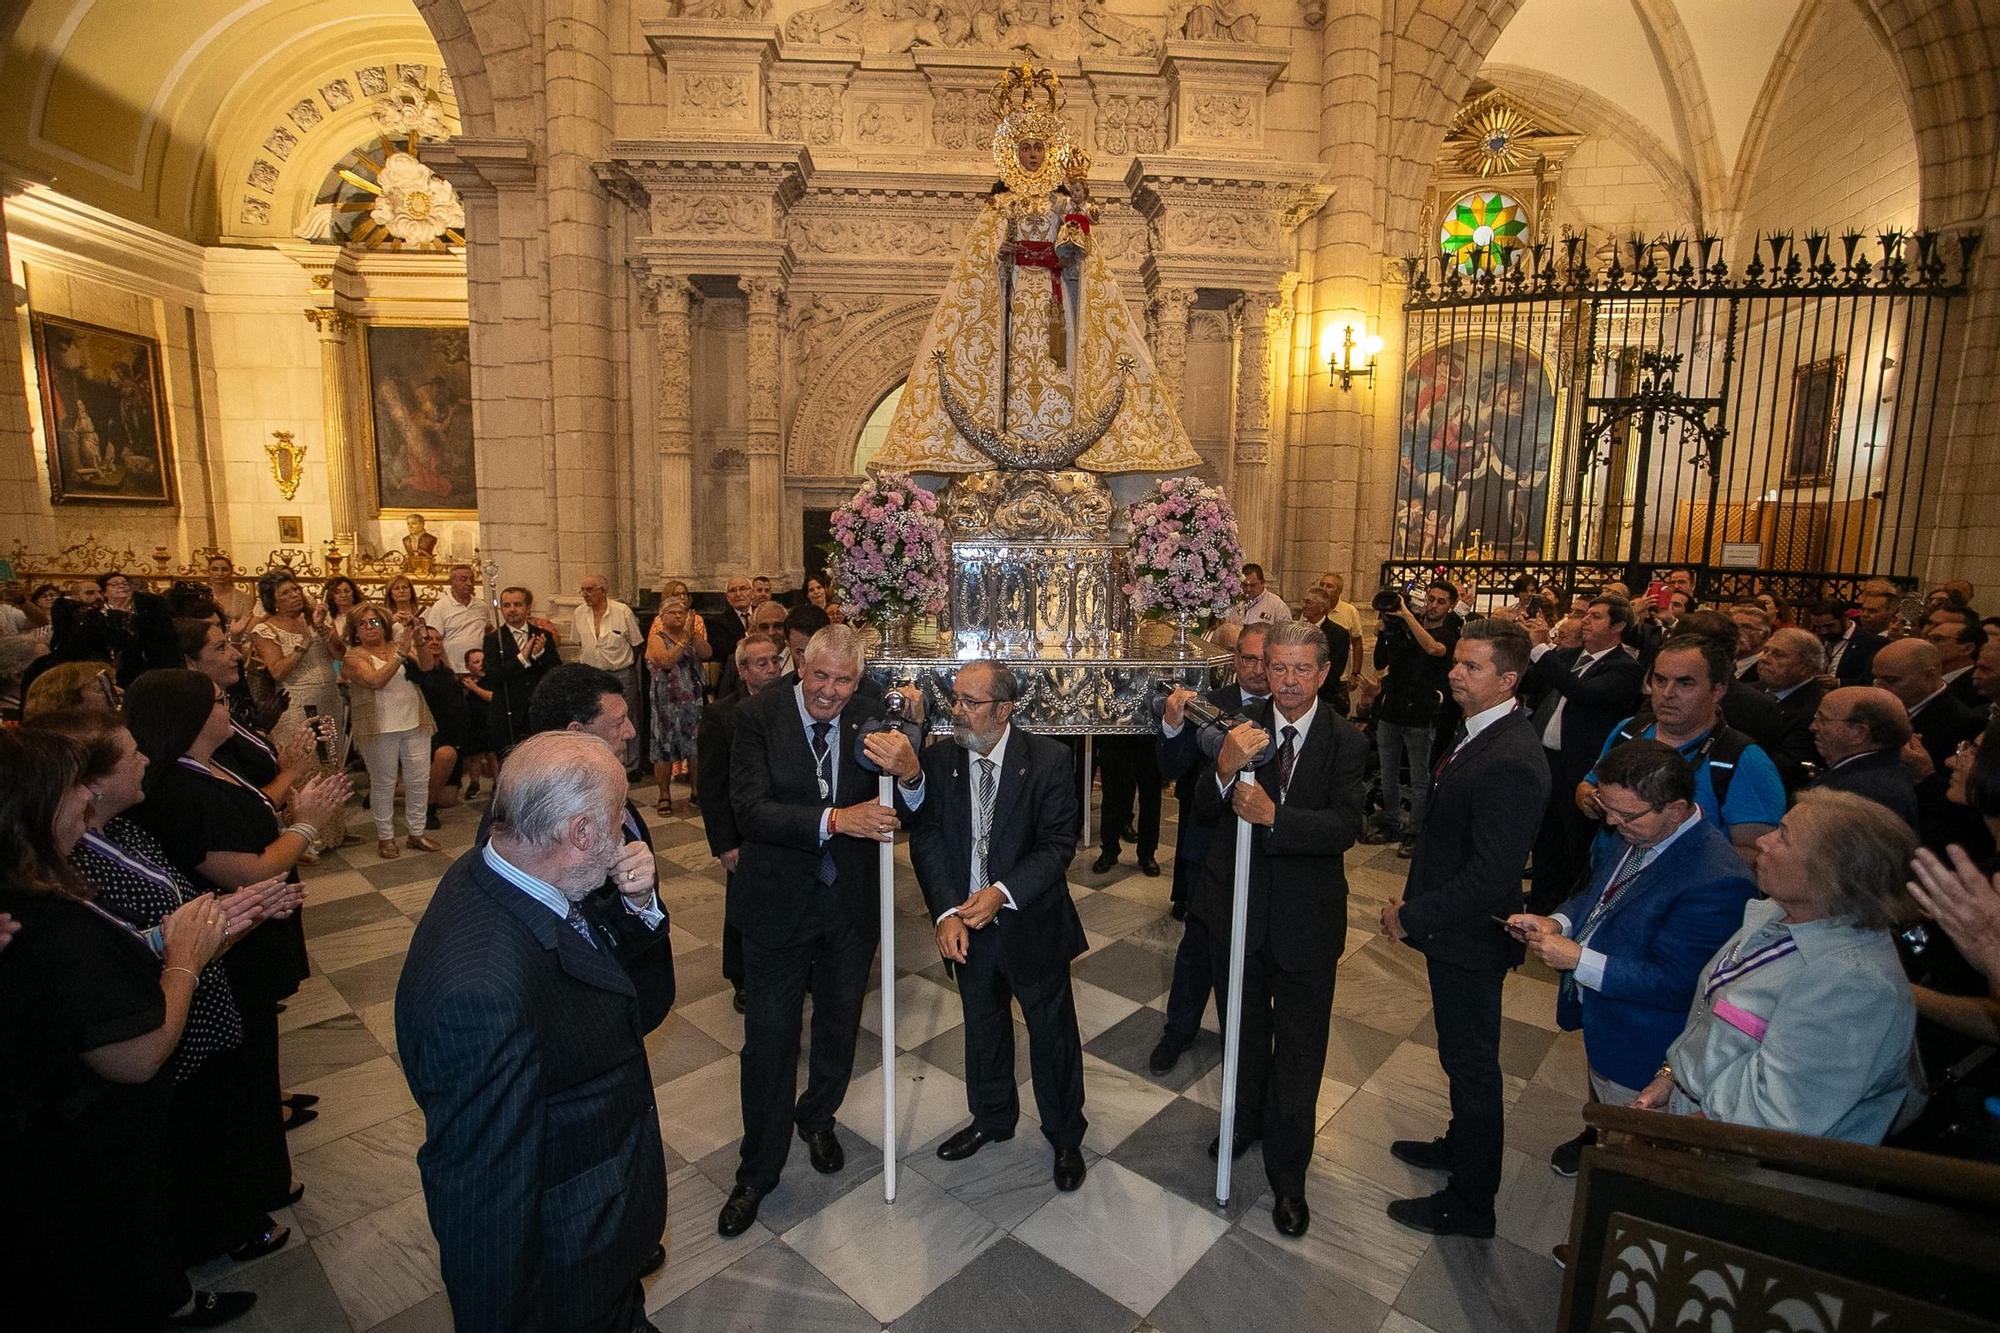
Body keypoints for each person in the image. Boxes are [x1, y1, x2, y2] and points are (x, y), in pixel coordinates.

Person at [397, 732, 675, 1333]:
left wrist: (641, 903)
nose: (629, 825)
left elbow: (600, 974)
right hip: (567, 1259)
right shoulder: (483, 993)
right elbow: (484, 1205)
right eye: (619, 812)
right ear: (579, 834)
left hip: (603, 1234)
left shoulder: (512, 869)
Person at [0, 728, 256, 1330]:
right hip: (77, 1142)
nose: (84, 800)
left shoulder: (42, 890)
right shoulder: (44, 920)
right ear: (32, 810)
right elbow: (135, 1056)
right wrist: (185, 960)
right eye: (71, 789)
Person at [42, 710, 304, 1264]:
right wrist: (187, 945)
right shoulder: (75, 867)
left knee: (206, 1130)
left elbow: (180, 912)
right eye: (131, 754)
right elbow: (136, 945)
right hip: (153, 1020)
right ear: (91, 781)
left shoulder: (129, 830)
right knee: (180, 1148)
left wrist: (236, 914)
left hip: (193, 1009)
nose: (144, 760)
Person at [1176, 621, 1367, 1237]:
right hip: (1239, 913)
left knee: (1300, 1053)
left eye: (1300, 670)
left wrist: (1274, 817)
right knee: (1243, 1036)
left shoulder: (1346, 740)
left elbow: (1344, 827)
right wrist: (1225, 770)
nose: (1285, 680)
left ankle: (1290, 1174)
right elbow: (1203, 807)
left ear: (1323, 672)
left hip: (1306, 923)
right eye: (1277, 668)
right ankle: (1243, 1125)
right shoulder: (1240, 724)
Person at [717, 625, 899, 1238]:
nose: (828, 691)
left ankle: (818, 1116)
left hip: (849, 904)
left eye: (843, 680)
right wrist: (835, 819)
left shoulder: (873, 712)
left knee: (840, 1023)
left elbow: (909, 798)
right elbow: (750, 809)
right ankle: (757, 1170)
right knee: (768, 1038)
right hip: (776, 903)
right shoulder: (755, 716)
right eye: (819, 676)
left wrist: (914, 761)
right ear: (800, 664)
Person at [1504, 741, 1757, 1177]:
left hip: (1647, 1045)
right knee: (1606, 1112)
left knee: (1638, 1155)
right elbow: (1600, 895)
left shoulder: (1717, 880)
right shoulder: (1643, 831)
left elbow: (1677, 983)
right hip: (1607, 1021)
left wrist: (1578, 959)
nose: (1611, 822)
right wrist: (1558, 923)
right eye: (1607, 808)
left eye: (1626, 814)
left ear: (1676, 809)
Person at [126, 669, 350, 1157]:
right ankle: (259, 1176)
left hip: (258, 922)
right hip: (233, 937)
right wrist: (308, 825)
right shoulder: (179, 789)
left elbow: (254, 817)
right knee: (243, 1060)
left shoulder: (211, 764)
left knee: (261, 1044)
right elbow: (249, 871)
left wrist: (289, 812)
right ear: (190, 716)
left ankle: (268, 1122)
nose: (229, 708)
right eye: (219, 702)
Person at [892, 660, 1090, 1191]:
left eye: (970, 703)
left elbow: (1056, 848)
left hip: (1030, 921)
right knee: (982, 1029)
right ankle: (993, 1119)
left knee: (1051, 1034)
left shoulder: (1048, 761)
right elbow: (928, 838)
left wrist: (1000, 894)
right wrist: (945, 912)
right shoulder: (940, 760)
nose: (956, 711)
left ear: (1005, 710)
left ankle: (1065, 1135)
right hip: (966, 926)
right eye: (954, 699)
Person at [1380, 619, 1548, 1238]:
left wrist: (1411, 915)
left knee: (1474, 1068)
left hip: (1472, 937)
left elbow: (1490, 875)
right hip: (1455, 932)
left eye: (1472, 666)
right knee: (1460, 1058)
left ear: (1508, 679)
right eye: (1456, 661)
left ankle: (1472, 1201)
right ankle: (1458, 1145)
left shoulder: (1510, 757)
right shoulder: (1482, 731)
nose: (1454, 672)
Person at [1630, 791, 1919, 1144]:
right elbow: (1717, 1020)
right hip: (1697, 1121)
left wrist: (1670, 1138)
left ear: (1832, 873)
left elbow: (1774, 1118)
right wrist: (1671, 1075)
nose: (1763, 841)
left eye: (1783, 835)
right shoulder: (1778, 914)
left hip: (1731, 1161)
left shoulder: (1854, 983)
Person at [1149, 623, 1269, 1074]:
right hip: (1208, 844)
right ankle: (1178, 1031)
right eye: (1248, 659)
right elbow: (1171, 766)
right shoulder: (1210, 707)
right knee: (1197, 944)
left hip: (1263, 850)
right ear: (1234, 660)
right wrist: (1174, 723)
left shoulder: (1285, 710)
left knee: (1254, 950)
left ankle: (1245, 1038)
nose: (1257, 671)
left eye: (1265, 660)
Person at [1579, 635, 1786, 866]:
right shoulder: (1628, 730)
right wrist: (1590, 799)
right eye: (1660, 680)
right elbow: (1588, 783)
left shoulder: (1741, 760)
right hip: (1606, 881)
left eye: (1685, 683)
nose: (1668, 693)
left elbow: (1757, 852)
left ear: (1717, 690)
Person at [1521, 595, 1646, 912]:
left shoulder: (1624, 668)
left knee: (1576, 843)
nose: (1586, 621)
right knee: (1546, 841)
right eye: (1586, 615)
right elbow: (1532, 683)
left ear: (1617, 626)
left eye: (1597, 616)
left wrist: (1542, 651)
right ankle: (1540, 906)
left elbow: (1583, 693)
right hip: (1548, 760)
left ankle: (1574, 910)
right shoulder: (1569, 656)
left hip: (1582, 768)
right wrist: (1527, 649)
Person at [699, 633, 788, 1013]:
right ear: (742, 669)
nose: (770, 669)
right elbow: (712, 785)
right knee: (743, 905)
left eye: (774, 661)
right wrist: (725, 844)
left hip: (784, 824)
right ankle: (743, 979)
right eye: (760, 663)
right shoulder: (722, 715)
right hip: (744, 830)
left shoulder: (792, 707)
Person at [246, 571, 352, 848]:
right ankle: (307, 837)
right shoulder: (265, 629)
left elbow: (341, 654)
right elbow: (278, 670)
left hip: (328, 697)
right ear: (273, 601)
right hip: (296, 701)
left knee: (332, 762)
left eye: (296, 590)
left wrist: (323, 631)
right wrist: (304, 642)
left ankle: (335, 831)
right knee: (307, 767)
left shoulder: (315, 618)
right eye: (286, 593)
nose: (294, 596)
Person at [1367, 580, 1462, 855]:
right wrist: (1386, 631)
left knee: (1421, 776)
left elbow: (1433, 648)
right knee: (1388, 772)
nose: (1433, 605)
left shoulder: (1448, 634)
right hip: (1393, 708)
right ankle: (1391, 820)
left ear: (1450, 606)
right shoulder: (1405, 628)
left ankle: (1415, 830)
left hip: (1422, 713)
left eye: (1440, 601)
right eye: (1430, 599)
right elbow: (1380, 662)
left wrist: (1408, 616)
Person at [1871, 637, 1988, 855]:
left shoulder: (1963, 723)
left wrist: (1923, 774)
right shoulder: (1887, 707)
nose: (1881, 688)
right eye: (1877, 679)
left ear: (1930, 676)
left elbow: (1959, 802)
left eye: (1892, 680)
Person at [344, 602, 444, 858]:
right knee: (384, 783)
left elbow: (426, 666)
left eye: (375, 622)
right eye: (363, 624)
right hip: (380, 728)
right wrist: (401, 651)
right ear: (355, 631)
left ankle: (417, 833)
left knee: (419, 780)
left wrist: (418, 638)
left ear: (385, 625)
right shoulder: (354, 657)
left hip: (414, 722)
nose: (370, 627)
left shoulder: (398, 646)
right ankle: (385, 837)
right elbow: (375, 681)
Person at [1805, 686, 1921, 828]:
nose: (1812, 727)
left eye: (1822, 719)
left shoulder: (1860, 794)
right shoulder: (1876, 774)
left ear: (1858, 733)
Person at [574, 575, 647, 772]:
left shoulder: (622, 612)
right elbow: (580, 643)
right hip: (592, 675)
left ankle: (631, 765)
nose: (585, 595)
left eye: (589, 590)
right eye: (582, 590)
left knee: (627, 717)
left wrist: (626, 664)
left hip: (620, 673)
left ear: (603, 591)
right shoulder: (579, 613)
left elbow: (637, 643)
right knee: (594, 718)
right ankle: (600, 761)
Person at [646, 595, 710, 813]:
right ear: (662, 617)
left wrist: (692, 636)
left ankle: (697, 791)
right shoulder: (657, 638)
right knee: (664, 748)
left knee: (696, 747)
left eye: (681, 613)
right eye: (672, 612)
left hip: (693, 700)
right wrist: (682, 640)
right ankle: (664, 795)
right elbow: (666, 661)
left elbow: (707, 653)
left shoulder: (690, 636)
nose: (677, 616)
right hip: (666, 703)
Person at [1748, 627, 1828, 793]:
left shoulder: (1818, 707)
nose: (1764, 659)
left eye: (1778, 654)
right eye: (1765, 651)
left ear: (1806, 667)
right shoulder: (1748, 692)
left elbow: (1789, 766)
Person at [480, 586, 559, 753]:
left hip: (536, 710)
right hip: (508, 711)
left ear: (528, 607)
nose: (512, 610)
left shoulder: (543, 635)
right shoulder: (493, 639)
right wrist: (521, 659)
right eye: (506, 605)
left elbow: (555, 672)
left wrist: (539, 657)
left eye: (517, 604)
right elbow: (493, 675)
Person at [408, 625, 469, 828]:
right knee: (446, 755)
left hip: (453, 734)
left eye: (437, 639)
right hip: (429, 735)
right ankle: (427, 808)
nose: (434, 642)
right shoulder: (416, 670)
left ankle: (391, 791)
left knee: (449, 800)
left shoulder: (447, 670)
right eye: (428, 639)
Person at [421, 563, 491, 672]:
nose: (469, 583)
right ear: (452, 582)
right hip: (452, 668)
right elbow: (433, 637)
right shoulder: (440, 607)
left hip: (478, 669)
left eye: (471, 579)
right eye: (463, 579)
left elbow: (488, 630)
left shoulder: (482, 606)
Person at [457, 647, 496, 798]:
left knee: (492, 755)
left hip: (490, 722)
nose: (481, 664)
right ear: (467, 666)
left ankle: (498, 783)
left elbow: (493, 697)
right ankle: (474, 783)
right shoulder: (465, 682)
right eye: (476, 662)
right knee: (475, 756)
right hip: (474, 723)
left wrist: (475, 688)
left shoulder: (492, 680)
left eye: (483, 661)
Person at [706, 575, 756, 670]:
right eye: (732, 590)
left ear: (752, 593)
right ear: (727, 597)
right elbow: (723, 653)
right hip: (736, 671)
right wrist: (748, 634)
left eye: (743, 589)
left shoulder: (762, 614)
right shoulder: (717, 622)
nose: (738, 594)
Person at [1231, 562, 1289, 626]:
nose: (1248, 589)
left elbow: (1286, 633)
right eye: (1244, 585)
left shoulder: (1277, 606)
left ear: (1262, 583)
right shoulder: (1234, 602)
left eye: (1253, 585)